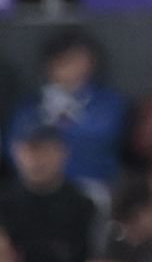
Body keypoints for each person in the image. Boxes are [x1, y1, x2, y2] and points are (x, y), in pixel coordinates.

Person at [6, 31, 126, 194]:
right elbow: (13, 146)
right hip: (38, 187)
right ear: (49, 65)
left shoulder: (108, 103)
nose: (74, 67)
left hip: (91, 184)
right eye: (64, 61)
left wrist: (59, 128)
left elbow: (101, 139)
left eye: (79, 59)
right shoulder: (30, 105)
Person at [0, 126, 98, 262]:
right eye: (28, 151)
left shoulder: (83, 205)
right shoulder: (4, 202)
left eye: (44, 151)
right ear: (15, 152)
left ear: (63, 152)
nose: (35, 160)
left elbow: (89, 261)